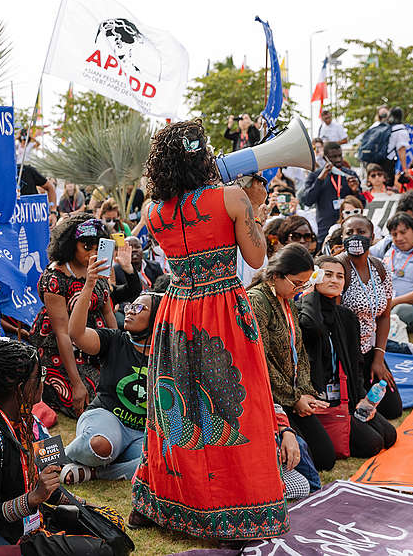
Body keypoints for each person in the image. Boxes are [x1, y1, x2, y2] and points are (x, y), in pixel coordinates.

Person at [131, 120, 293, 541]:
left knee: (176, 407)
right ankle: (233, 506)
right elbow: (257, 258)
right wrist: (255, 207)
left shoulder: (153, 211)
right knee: (236, 406)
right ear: (204, 157)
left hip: (177, 310)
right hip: (222, 310)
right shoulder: (234, 197)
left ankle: (161, 500)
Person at [61, 251, 160, 484]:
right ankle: (61, 459)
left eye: (140, 309)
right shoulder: (115, 340)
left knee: (158, 462)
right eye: (131, 306)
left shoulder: (166, 355)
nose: (130, 311)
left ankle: (93, 473)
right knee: (100, 446)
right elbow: (75, 334)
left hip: (141, 433)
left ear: (156, 318)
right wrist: (89, 286)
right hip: (107, 419)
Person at [0, 341, 62, 544]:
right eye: (38, 377)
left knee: (107, 530)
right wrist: (32, 498)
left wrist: (81, 504)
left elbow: (40, 484)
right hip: (8, 536)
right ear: (20, 386)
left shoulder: (23, 421)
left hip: (32, 524)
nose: (43, 383)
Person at [298, 257, 397, 459]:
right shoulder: (304, 311)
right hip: (319, 400)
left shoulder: (346, 317)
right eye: (327, 274)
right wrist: (310, 292)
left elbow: (355, 363)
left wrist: (361, 399)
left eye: (340, 276)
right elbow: (313, 327)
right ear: (315, 276)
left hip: (345, 396)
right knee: (372, 444)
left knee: (389, 435)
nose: (334, 280)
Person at [248, 245, 335, 470]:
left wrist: (305, 392)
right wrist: (294, 398)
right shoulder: (258, 301)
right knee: (313, 460)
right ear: (276, 276)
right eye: (297, 283)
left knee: (326, 456)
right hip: (271, 398)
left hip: (293, 393)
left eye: (305, 284)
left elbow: (300, 351)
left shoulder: (286, 300)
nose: (300, 289)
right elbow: (260, 360)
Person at [31, 214, 120, 418]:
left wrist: (118, 355)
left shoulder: (99, 269)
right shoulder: (55, 279)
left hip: (95, 344)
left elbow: (108, 313)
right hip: (62, 352)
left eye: (98, 245)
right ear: (71, 244)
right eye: (86, 246)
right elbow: (62, 333)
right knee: (91, 398)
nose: (93, 251)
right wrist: (76, 384)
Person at [338, 215, 402, 420]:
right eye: (350, 233)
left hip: (371, 351)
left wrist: (378, 358)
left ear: (372, 237)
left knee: (393, 410)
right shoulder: (338, 269)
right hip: (346, 355)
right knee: (360, 414)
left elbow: (384, 315)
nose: (355, 237)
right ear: (342, 238)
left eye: (361, 232)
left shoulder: (380, 268)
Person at [300, 141, 357, 235]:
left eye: (340, 155)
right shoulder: (315, 175)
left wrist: (356, 191)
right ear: (325, 157)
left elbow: (362, 204)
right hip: (325, 228)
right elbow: (307, 201)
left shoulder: (350, 175)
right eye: (334, 157)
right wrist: (320, 180)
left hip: (349, 227)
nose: (338, 159)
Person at [385, 107, 411, 178]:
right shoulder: (401, 130)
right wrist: (405, 170)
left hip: (376, 160)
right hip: (388, 163)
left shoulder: (385, 127)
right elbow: (401, 150)